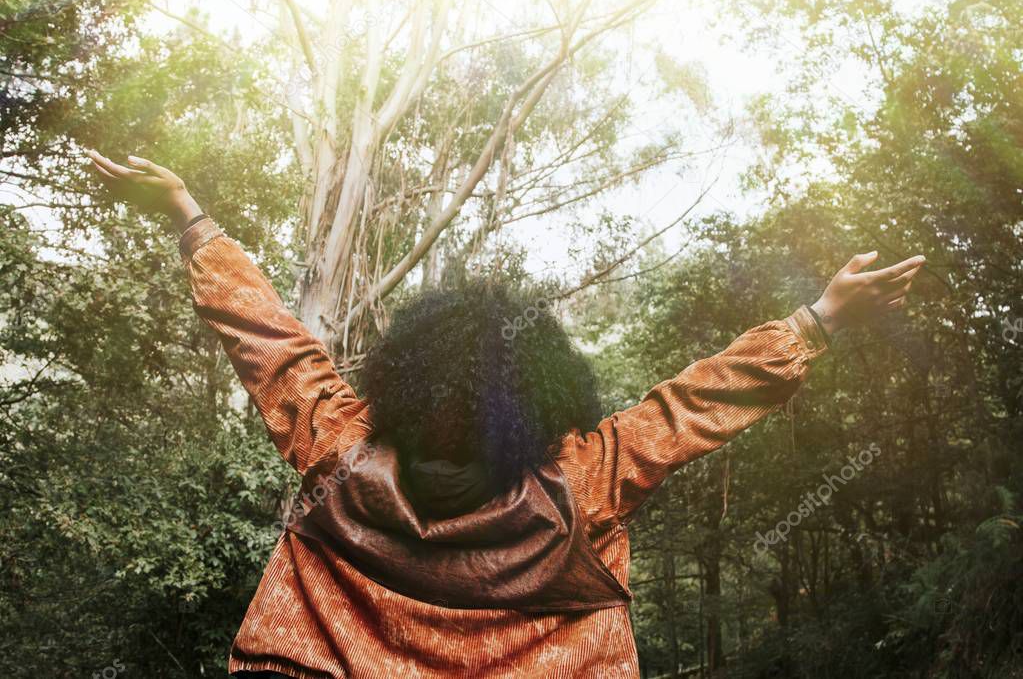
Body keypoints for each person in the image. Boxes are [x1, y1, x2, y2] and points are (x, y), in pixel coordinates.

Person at [86, 150, 925, 678]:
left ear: (400, 385)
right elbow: (692, 404)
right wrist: (817, 319)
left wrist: (191, 216)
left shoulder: (338, 447)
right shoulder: (582, 482)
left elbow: (266, 340)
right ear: (540, 403)